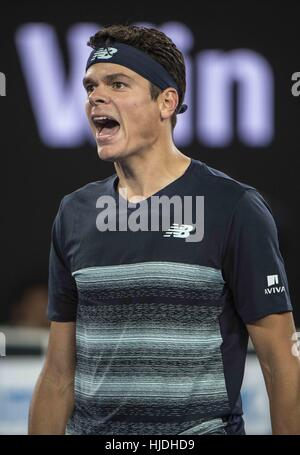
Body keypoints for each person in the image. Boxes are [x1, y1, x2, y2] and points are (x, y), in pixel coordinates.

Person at [28, 24, 300, 435]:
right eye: (90, 88)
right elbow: (57, 375)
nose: (96, 97)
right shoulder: (74, 213)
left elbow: (281, 364)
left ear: (166, 102)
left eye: (118, 84)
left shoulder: (234, 207)